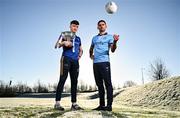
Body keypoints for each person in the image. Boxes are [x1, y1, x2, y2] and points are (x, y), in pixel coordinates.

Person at [89, 20, 119, 111]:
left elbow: (113, 50)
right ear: (97, 27)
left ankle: (109, 106)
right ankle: (101, 105)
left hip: (104, 62)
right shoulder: (94, 38)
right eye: (100, 25)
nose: (101, 26)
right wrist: (91, 54)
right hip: (95, 64)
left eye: (103, 25)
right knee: (99, 85)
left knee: (108, 84)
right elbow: (91, 48)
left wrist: (115, 42)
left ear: (106, 26)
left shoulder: (110, 37)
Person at [54, 20, 83, 111]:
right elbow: (56, 45)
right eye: (73, 26)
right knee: (62, 79)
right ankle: (57, 103)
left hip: (75, 61)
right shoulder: (64, 34)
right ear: (70, 26)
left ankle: (74, 104)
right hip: (66, 59)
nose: (75, 28)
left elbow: (81, 49)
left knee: (74, 82)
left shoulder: (78, 38)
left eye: (77, 26)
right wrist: (64, 43)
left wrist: (80, 54)